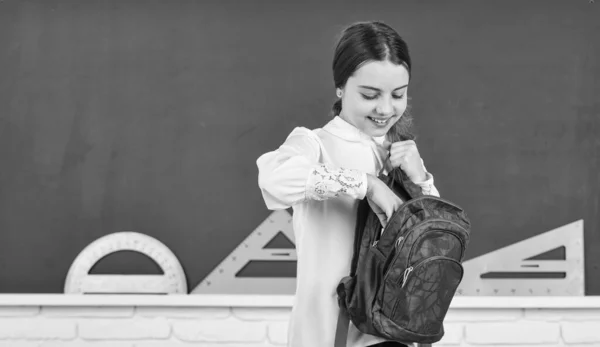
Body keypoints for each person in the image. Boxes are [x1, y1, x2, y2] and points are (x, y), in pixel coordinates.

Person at [256, 21, 440, 347]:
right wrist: (366, 184)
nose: (386, 108)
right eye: (370, 95)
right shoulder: (314, 143)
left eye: (398, 94)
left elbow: (431, 245)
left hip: (392, 330)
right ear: (340, 88)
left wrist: (420, 179)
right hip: (329, 330)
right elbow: (273, 177)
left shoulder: (401, 153)